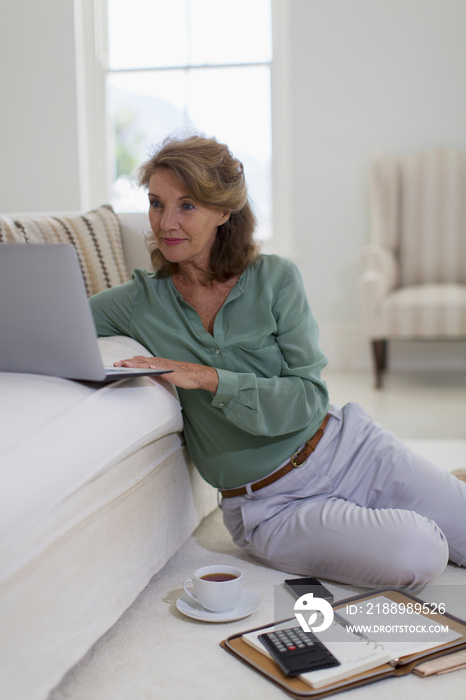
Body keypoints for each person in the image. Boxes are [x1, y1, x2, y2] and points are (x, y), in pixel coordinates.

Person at [90, 133, 466, 590]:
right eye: (155, 203)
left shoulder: (276, 278)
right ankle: (407, 511)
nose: (165, 222)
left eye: (187, 205)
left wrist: (209, 379)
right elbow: (55, 321)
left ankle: (423, 498)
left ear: (223, 211)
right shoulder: (138, 303)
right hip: (271, 507)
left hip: (349, 448)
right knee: (423, 553)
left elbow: (308, 398)